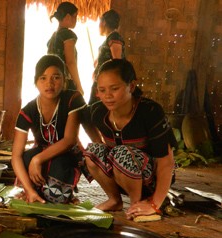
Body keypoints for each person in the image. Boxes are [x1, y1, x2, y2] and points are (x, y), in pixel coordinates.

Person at [83, 59, 177, 219]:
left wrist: (155, 203)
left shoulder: (150, 112)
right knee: (92, 151)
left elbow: (166, 163)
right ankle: (114, 200)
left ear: (131, 86)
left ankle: (137, 204)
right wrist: (98, 140)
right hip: (122, 174)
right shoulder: (98, 111)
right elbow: (83, 117)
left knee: (121, 153)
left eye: (114, 88)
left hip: (151, 179)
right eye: (102, 90)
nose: (108, 96)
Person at [12, 54, 87, 204]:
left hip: (66, 154)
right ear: (35, 82)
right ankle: (34, 192)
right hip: (42, 152)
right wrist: (29, 189)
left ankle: (61, 192)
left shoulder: (72, 99)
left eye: (56, 77)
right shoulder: (28, 111)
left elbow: (69, 140)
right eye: (43, 78)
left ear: (64, 80)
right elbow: (16, 156)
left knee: (57, 192)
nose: (49, 84)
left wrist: (37, 159)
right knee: (26, 158)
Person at [88, 9, 126, 105]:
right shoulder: (110, 38)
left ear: (104, 22)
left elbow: (117, 61)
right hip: (103, 82)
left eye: (99, 22)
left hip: (107, 84)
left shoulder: (114, 37)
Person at [47, 2, 84, 96]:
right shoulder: (68, 35)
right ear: (68, 16)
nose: (76, 20)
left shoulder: (54, 36)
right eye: (75, 16)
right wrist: (79, 86)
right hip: (65, 82)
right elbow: (70, 62)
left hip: (52, 81)